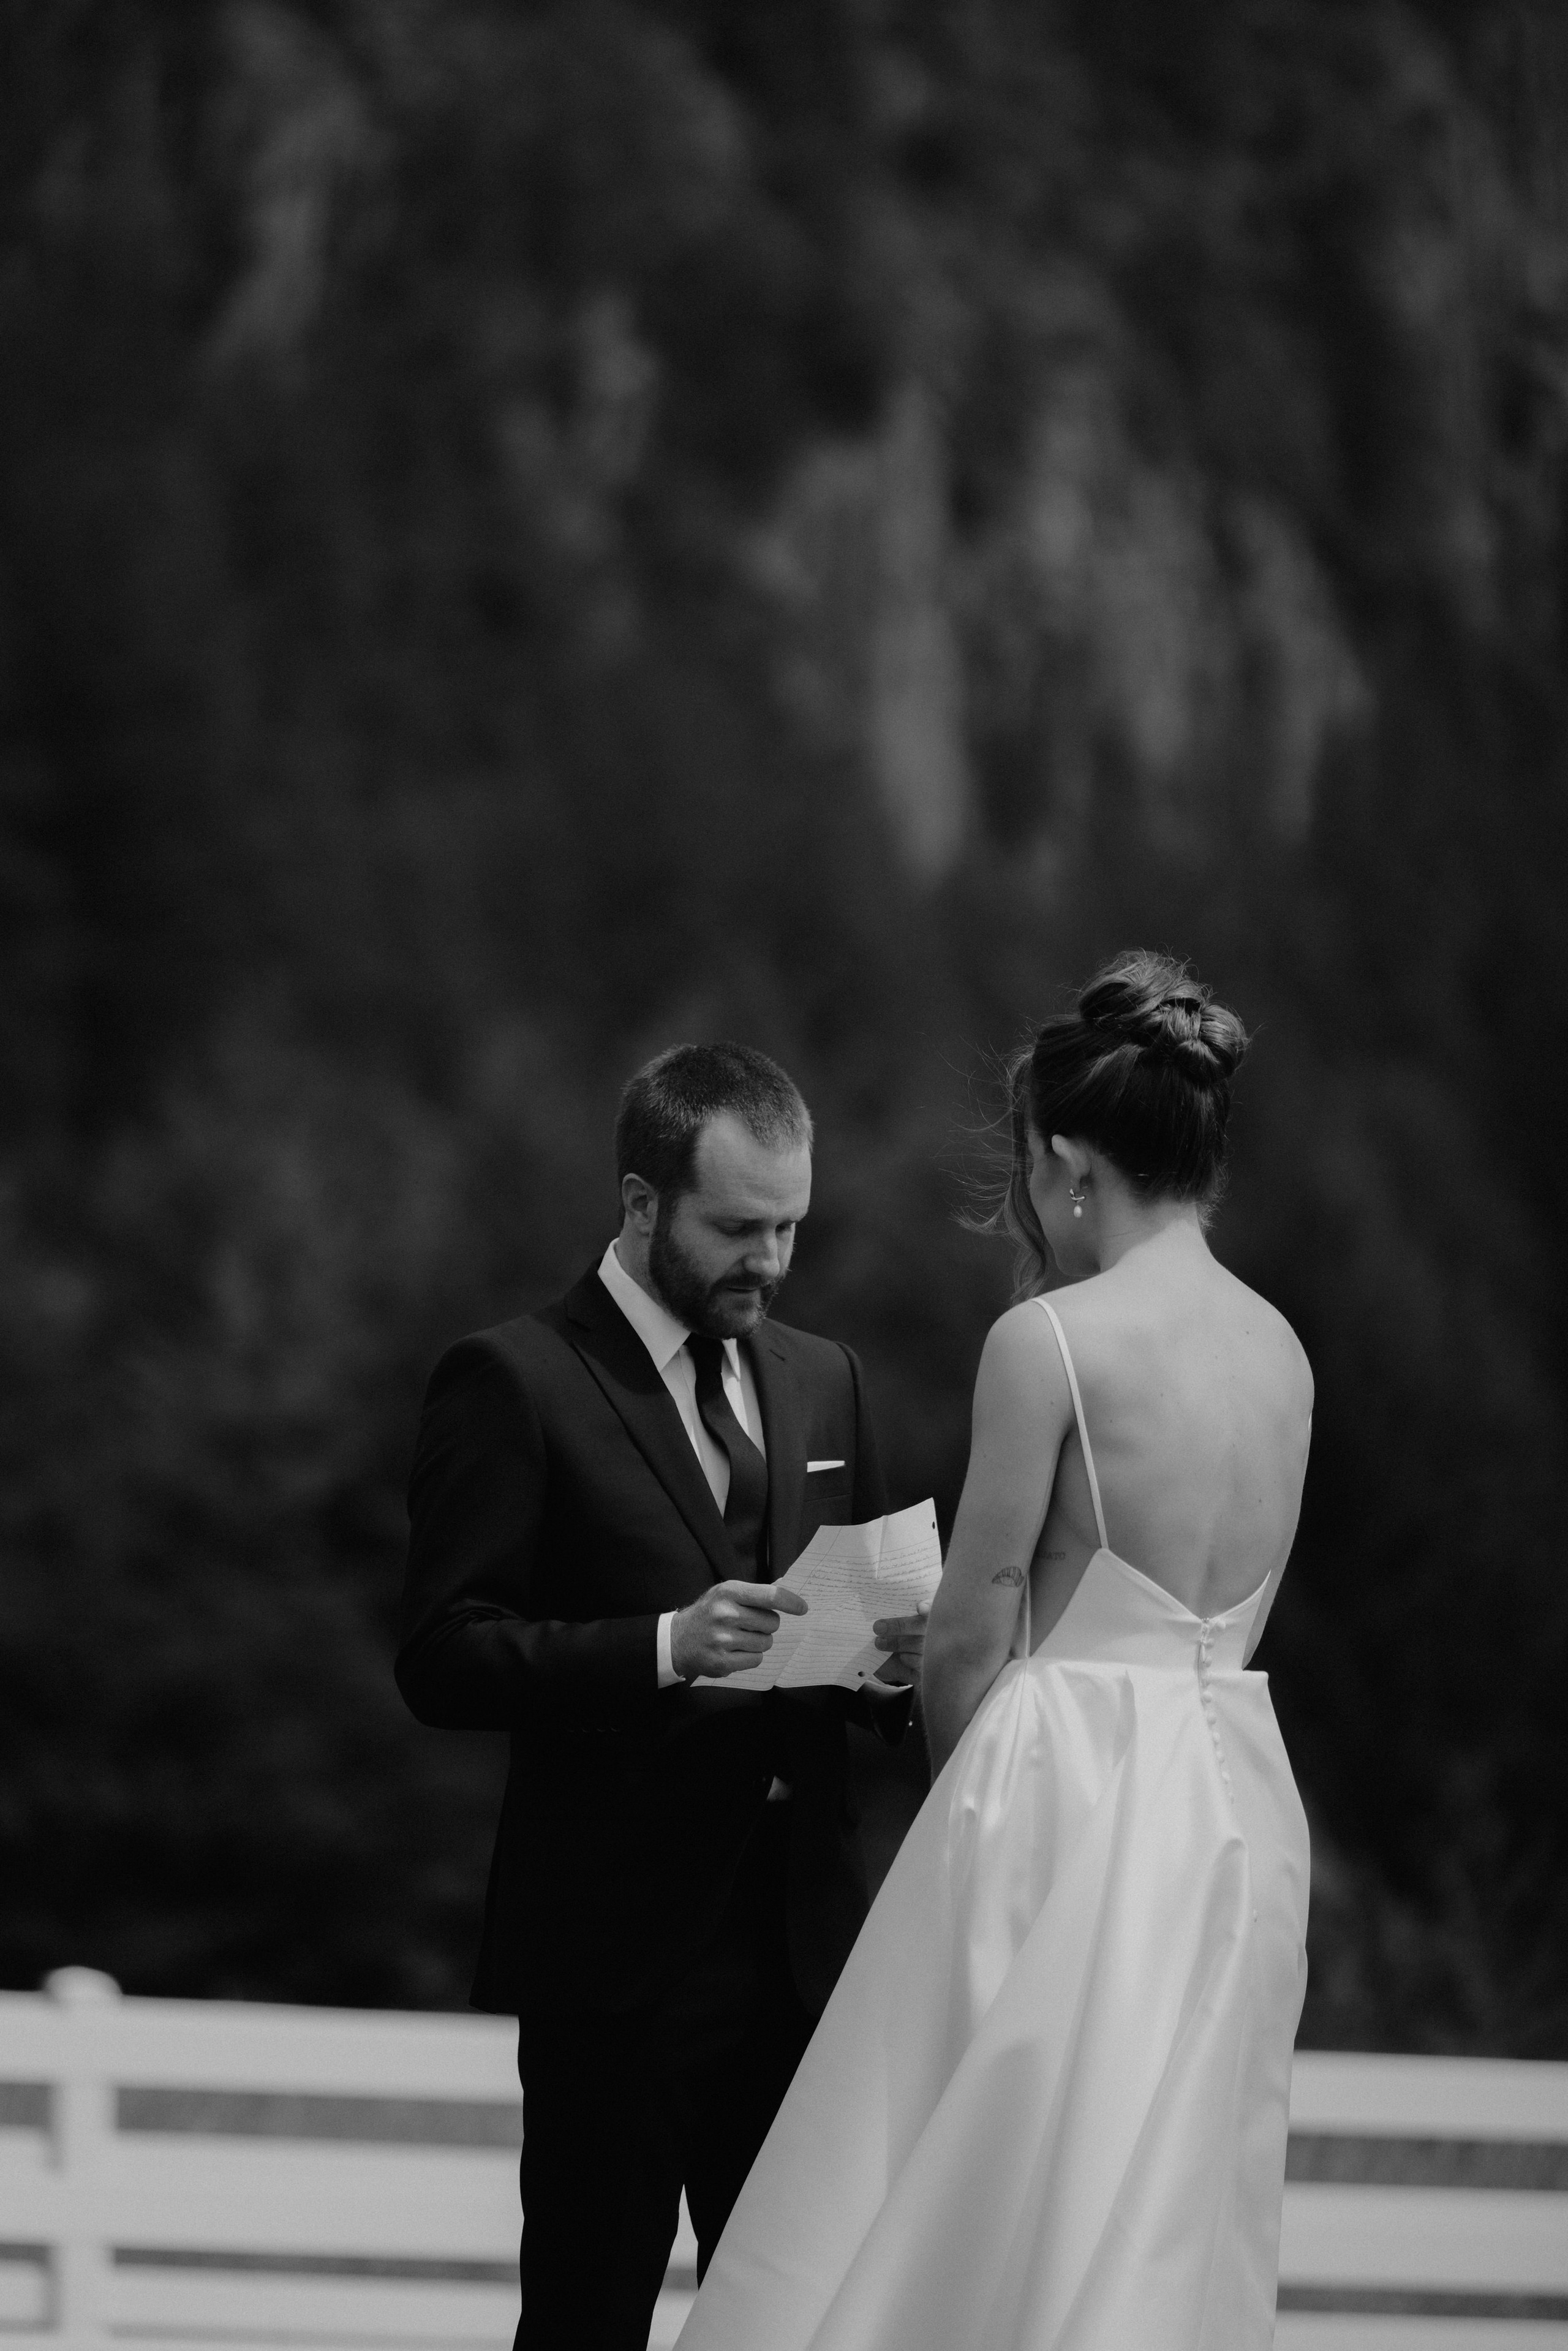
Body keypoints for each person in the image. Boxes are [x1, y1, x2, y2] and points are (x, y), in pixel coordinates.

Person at [676, 952, 1314, 2351]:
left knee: (968, 2167)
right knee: (1161, 2183)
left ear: (1071, 1162)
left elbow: (973, 1623)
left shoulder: (1050, 1340)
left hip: (1068, 1790)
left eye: (1033, 1166)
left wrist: (965, 1779)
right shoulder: (1282, 1353)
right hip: (1234, 1809)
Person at [395, 1041, 926, 2351]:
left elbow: (847, 1629)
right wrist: (661, 1645)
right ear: (640, 1204)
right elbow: (444, 1653)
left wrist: (892, 1671)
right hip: (614, 1961)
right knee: (585, 2321)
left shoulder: (826, 1377)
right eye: (737, 1226)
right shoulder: (510, 1378)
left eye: (790, 1224)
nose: (771, 1259)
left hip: (803, 1951)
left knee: (804, 2323)